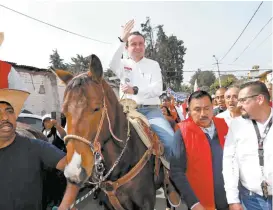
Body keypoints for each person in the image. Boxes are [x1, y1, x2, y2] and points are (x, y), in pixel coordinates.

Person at [108, 19, 180, 207]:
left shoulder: (153, 64)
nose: (137, 47)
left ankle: (169, 181)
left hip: (150, 111)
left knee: (171, 141)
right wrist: (120, 39)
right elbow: (109, 62)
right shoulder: (122, 64)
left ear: (144, 46)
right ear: (127, 46)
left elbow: (157, 89)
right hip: (126, 111)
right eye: (133, 43)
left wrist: (136, 90)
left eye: (141, 43)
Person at [0, 89, 79, 210]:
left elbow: (76, 167)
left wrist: (67, 203)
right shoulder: (42, 132)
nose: (5, 117)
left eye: (9, 111)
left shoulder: (36, 147)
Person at [170, 90, 229, 210]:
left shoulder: (225, 126)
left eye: (207, 108)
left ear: (213, 106)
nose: (203, 113)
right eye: (197, 109)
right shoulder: (182, 132)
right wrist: (193, 203)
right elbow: (176, 171)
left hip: (228, 200)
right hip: (200, 204)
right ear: (189, 111)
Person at [223, 81, 272, 210]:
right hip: (252, 200)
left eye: (243, 100)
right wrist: (233, 199)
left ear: (259, 99)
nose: (238, 105)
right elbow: (230, 162)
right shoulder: (237, 125)